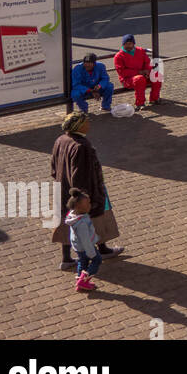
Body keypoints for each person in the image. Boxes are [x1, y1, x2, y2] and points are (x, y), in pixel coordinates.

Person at [51, 112, 123, 270]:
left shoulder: (60, 140)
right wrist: (86, 196)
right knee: (95, 219)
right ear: (79, 126)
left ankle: (67, 258)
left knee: (67, 222)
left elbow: (54, 167)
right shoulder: (82, 146)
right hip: (84, 193)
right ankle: (101, 250)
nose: (89, 124)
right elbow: (81, 174)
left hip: (63, 189)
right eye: (86, 122)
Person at [64, 189, 102, 293]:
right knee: (97, 260)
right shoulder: (82, 224)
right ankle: (83, 281)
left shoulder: (73, 216)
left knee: (82, 262)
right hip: (86, 247)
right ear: (78, 207)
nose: (90, 205)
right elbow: (86, 240)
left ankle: (80, 281)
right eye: (87, 203)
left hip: (78, 247)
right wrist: (91, 253)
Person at [112, 35, 161, 109]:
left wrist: (147, 71)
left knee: (157, 75)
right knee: (139, 79)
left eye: (130, 44)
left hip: (143, 75)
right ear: (123, 44)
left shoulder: (140, 51)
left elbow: (147, 62)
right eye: (126, 44)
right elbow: (122, 72)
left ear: (133, 44)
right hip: (128, 79)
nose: (128, 46)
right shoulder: (118, 56)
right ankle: (140, 103)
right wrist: (139, 72)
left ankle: (154, 99)